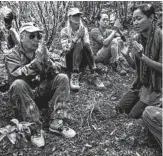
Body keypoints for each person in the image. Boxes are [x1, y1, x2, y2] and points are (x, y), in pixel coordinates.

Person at [5, 22, 76, 148]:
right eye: (32, 36)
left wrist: (48, 63)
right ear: (22, 37)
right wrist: (35, 64)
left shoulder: (42, 51)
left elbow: (59, 66)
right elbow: (16, 75)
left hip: (41, 92)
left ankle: (57, 121)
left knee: (63, 78)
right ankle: (34, 128)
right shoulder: (12, 54)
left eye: (39, 36)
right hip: (24, 97)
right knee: (18, 84)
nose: (36, 39)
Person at [116, 4, 162, 119]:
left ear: (151, 18)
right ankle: (141, 96)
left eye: (138, 18)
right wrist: (127, 56)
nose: (135, 23)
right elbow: (136, 67)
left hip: (157, 87)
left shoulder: (161, 37)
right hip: (142, 84)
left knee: (132, 116)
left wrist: (142, 57)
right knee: (120, 108)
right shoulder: (137, 39)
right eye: (133, 19)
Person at [60, 7, 105, 91]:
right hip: (70, 61)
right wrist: (76, 39)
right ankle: (74, 74)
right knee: (79, 43)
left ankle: (94, 73)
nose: (77, 18)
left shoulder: (83, 29)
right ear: (69, 18)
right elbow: (65, 50)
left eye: (78, 16)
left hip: (81, 60)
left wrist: (81, 40)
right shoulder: (64, 31)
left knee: (85, 45)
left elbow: (87, 46)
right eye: (75, 16)